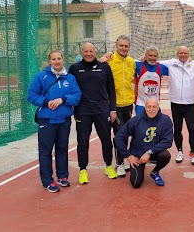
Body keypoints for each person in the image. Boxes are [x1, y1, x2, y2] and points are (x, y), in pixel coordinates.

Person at [27, 50, 81, 192]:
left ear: (63, 60)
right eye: (54, 59)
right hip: (47, 120)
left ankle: (62, 176)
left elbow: (77, 96)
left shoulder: (70, 78)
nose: (57, 61)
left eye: (59, 58)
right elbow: (31, 95)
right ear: (49, 61)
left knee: (62, 149)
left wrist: (63, 99)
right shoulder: (41, 77)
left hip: (64, 120)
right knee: (45, 151)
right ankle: (48, 181)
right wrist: (45, 102)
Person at [69, 42, 118, 184]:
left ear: (95, 52)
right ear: (81, 52)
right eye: (86, 51)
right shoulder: (74, 69)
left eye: (91, 51)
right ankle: (83, 170)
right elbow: (70, 89)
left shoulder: (104, 67)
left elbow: (111, 89)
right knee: (82, 142)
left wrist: (113, 109)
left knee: (106, 140)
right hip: (82, 111)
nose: (88, 53)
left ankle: (108, 166)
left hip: (102, 110)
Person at [114, 98, 173, 188]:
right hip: (138, 155)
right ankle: (140, 168)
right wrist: (128, 156)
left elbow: (167, 141)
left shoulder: (165, 120)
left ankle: (155, 172)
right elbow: (119, 137)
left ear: (158, 107)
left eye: (154, 107)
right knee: (136, 184)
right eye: (149, 106)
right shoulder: (136, 120)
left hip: (154, 153)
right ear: (144, 108)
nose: (151, 109)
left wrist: (149, 152)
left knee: (165, 155)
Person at [159, 46, 194, 165]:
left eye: (185, 53)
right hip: (176, 103)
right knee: (177, 129)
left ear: (189, 54)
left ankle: (193, 153)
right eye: (181, 53)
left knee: (192, 129)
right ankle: (180, 151)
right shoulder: (171, 63)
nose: (183, 55)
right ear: (177, 54)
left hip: (190, 103)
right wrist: (143, 59)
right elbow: (155, 61)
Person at [103, 35, 136, 177]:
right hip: (114, 105)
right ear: (116, 46)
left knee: (127, 134)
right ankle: (120, 163)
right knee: (119, 135)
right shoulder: (109, 61)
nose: (123, 48)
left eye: (126, 46)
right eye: (121, 45)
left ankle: (124, 159)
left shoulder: (131, 62)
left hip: (128, 104)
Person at [134, 46, 169, 115]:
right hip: (141, 103)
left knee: (154, 125)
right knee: (140, 125)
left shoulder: (161, 67)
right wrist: (110, 54)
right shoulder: (138, 64)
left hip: (155, 104)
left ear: (158, 57)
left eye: (155, 56)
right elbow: (125, 61)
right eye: (150, 55)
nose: (152, 58)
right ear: (145, 56)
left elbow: (177, 69)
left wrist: (189, 62)